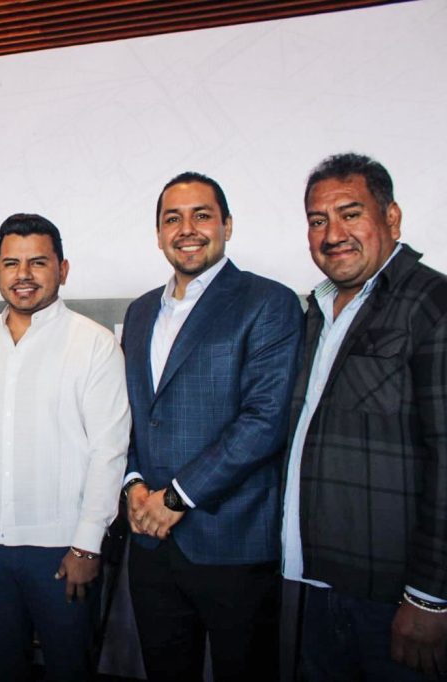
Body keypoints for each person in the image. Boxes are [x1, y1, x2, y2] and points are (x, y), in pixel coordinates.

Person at [0, 214, 130, 682]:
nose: (23, 275)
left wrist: (87, 546)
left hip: (62, 549)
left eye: (38, 262)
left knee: (69, 669)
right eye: (11, 263)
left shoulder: (95, 345)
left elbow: (109, 451)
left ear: (63, 269)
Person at [122, 172, 302, 681]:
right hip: (151, 542)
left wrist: (176, 498)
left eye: (201, 215)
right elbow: (131, 413)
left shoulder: (268, 302)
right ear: (159, 233)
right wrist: (133, 483)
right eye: (172, 219)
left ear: (227, 225)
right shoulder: (140, 312)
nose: (187, 229)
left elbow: (264, 421)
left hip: (232, 541)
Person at [283, 153, 447, 680]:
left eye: (350, 214)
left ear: (391, 218)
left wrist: (429, 597)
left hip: (392, 599)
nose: (333, 234)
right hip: (313, 582)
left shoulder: (432, 305)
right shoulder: (316, 311)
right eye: (318, 220)